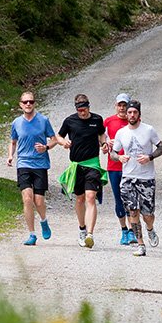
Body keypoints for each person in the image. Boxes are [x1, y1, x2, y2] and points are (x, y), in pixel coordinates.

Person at [109, 100, 162, 257]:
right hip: (128, 178)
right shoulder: (121, 133)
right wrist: (119, 158)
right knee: (133, 211)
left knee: (147, 214)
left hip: (146, 178)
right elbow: (113, 153)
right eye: (129, 112)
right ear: (126, 114)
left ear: (139, 114)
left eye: (135, 112)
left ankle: (150, 228)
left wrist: (149, 157)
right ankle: (140, 244)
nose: (132, 115)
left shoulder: (148, 130)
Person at [55, 94, 107, 249]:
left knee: (91, 197)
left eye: (84, 110)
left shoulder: (97, 120)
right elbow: (58, 135)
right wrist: (63, 142)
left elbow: (101, 133)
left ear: (89, 107)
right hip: (76, 165)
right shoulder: (70, 121)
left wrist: (103, 143)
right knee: (80, 199)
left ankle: (90, 235)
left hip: (93, 164)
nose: (82, 113)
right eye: (80, 111)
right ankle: (82, 229)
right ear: (76, 109)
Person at [7, 91, 57, 246]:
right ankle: (32, 234)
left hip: (40, 164)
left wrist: (46, 147)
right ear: (20, 104)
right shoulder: (16, 123)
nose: (28, 104)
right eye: (25, 102)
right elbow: (13, 141)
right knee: (27, 199)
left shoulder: (43, 120)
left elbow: (54, 139)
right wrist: (10, 156)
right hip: (23, 164)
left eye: (31, 101)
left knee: (39, 201)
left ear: (35, 103)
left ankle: (43, 221)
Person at [103, 93, 135, 246]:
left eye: (125, 105)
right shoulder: (108, 121)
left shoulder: (135, 122)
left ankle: (132, 230)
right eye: (120, 105)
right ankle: (123, 230)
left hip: (132, 166)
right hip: (114, 166)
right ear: (115, 105)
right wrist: (104, 144)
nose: (122, 108)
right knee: (118, 199)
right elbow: (101, 139)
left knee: (131, 199)